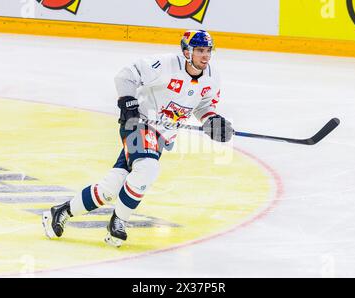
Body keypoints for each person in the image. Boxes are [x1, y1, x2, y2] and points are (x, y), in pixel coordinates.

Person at [42, 29, 234, 247]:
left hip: (161, 135)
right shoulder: (165, 65)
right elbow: (125, 75)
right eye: (199, 50)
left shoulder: (212, 77)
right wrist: (128, 101)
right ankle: (119, 221)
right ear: (186, 51)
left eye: (208, 50)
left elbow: (204, 106)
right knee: (147, 168)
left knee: (110, 188)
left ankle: (60, 212)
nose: (205, 56)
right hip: (138, 123)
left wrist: (212, 121)